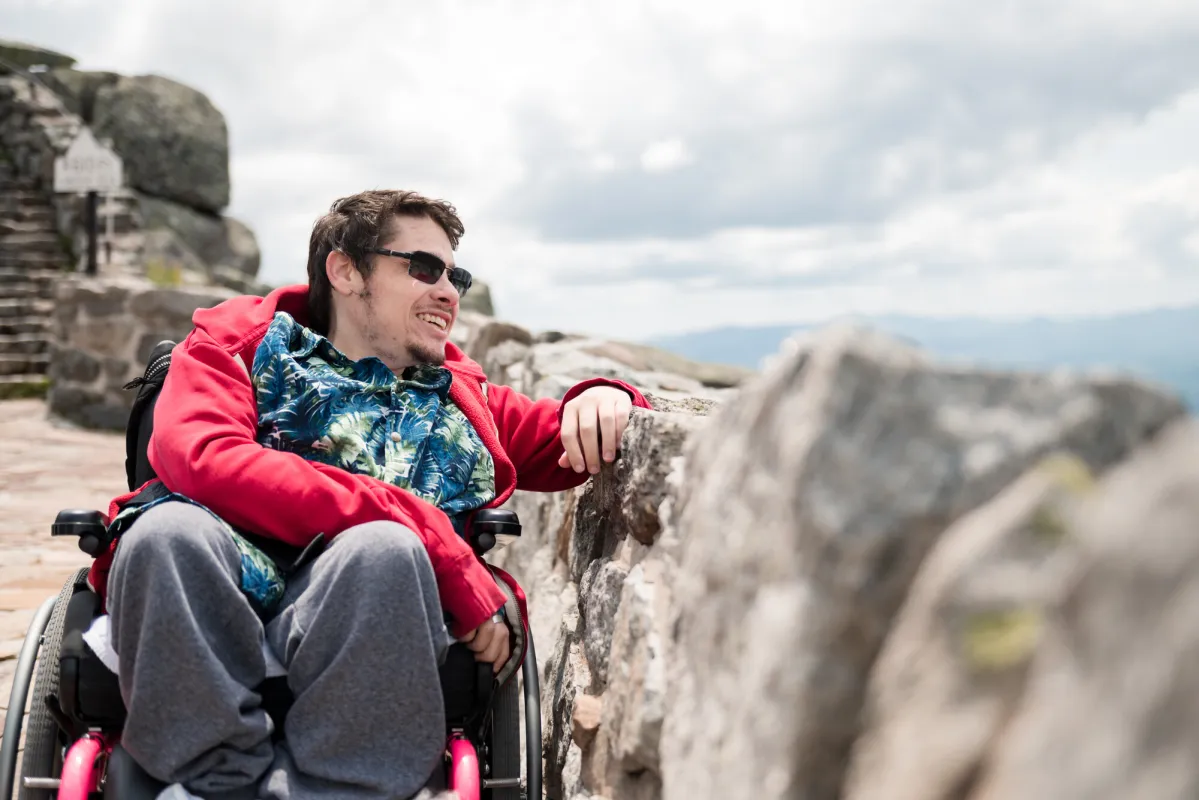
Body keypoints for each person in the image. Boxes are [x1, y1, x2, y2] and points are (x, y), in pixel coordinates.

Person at [87, 190, 649, 800]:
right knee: (164, 534)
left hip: (369, 610)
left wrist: (606, 396)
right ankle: (210, 785)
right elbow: (202, 457)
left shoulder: (460, 398)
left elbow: (563, 439)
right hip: (218, 587)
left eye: (455, 274)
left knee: (382, 550)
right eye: (424, 269)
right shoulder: (237, 348)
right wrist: (431, 535)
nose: (449, 292)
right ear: (345, 270)